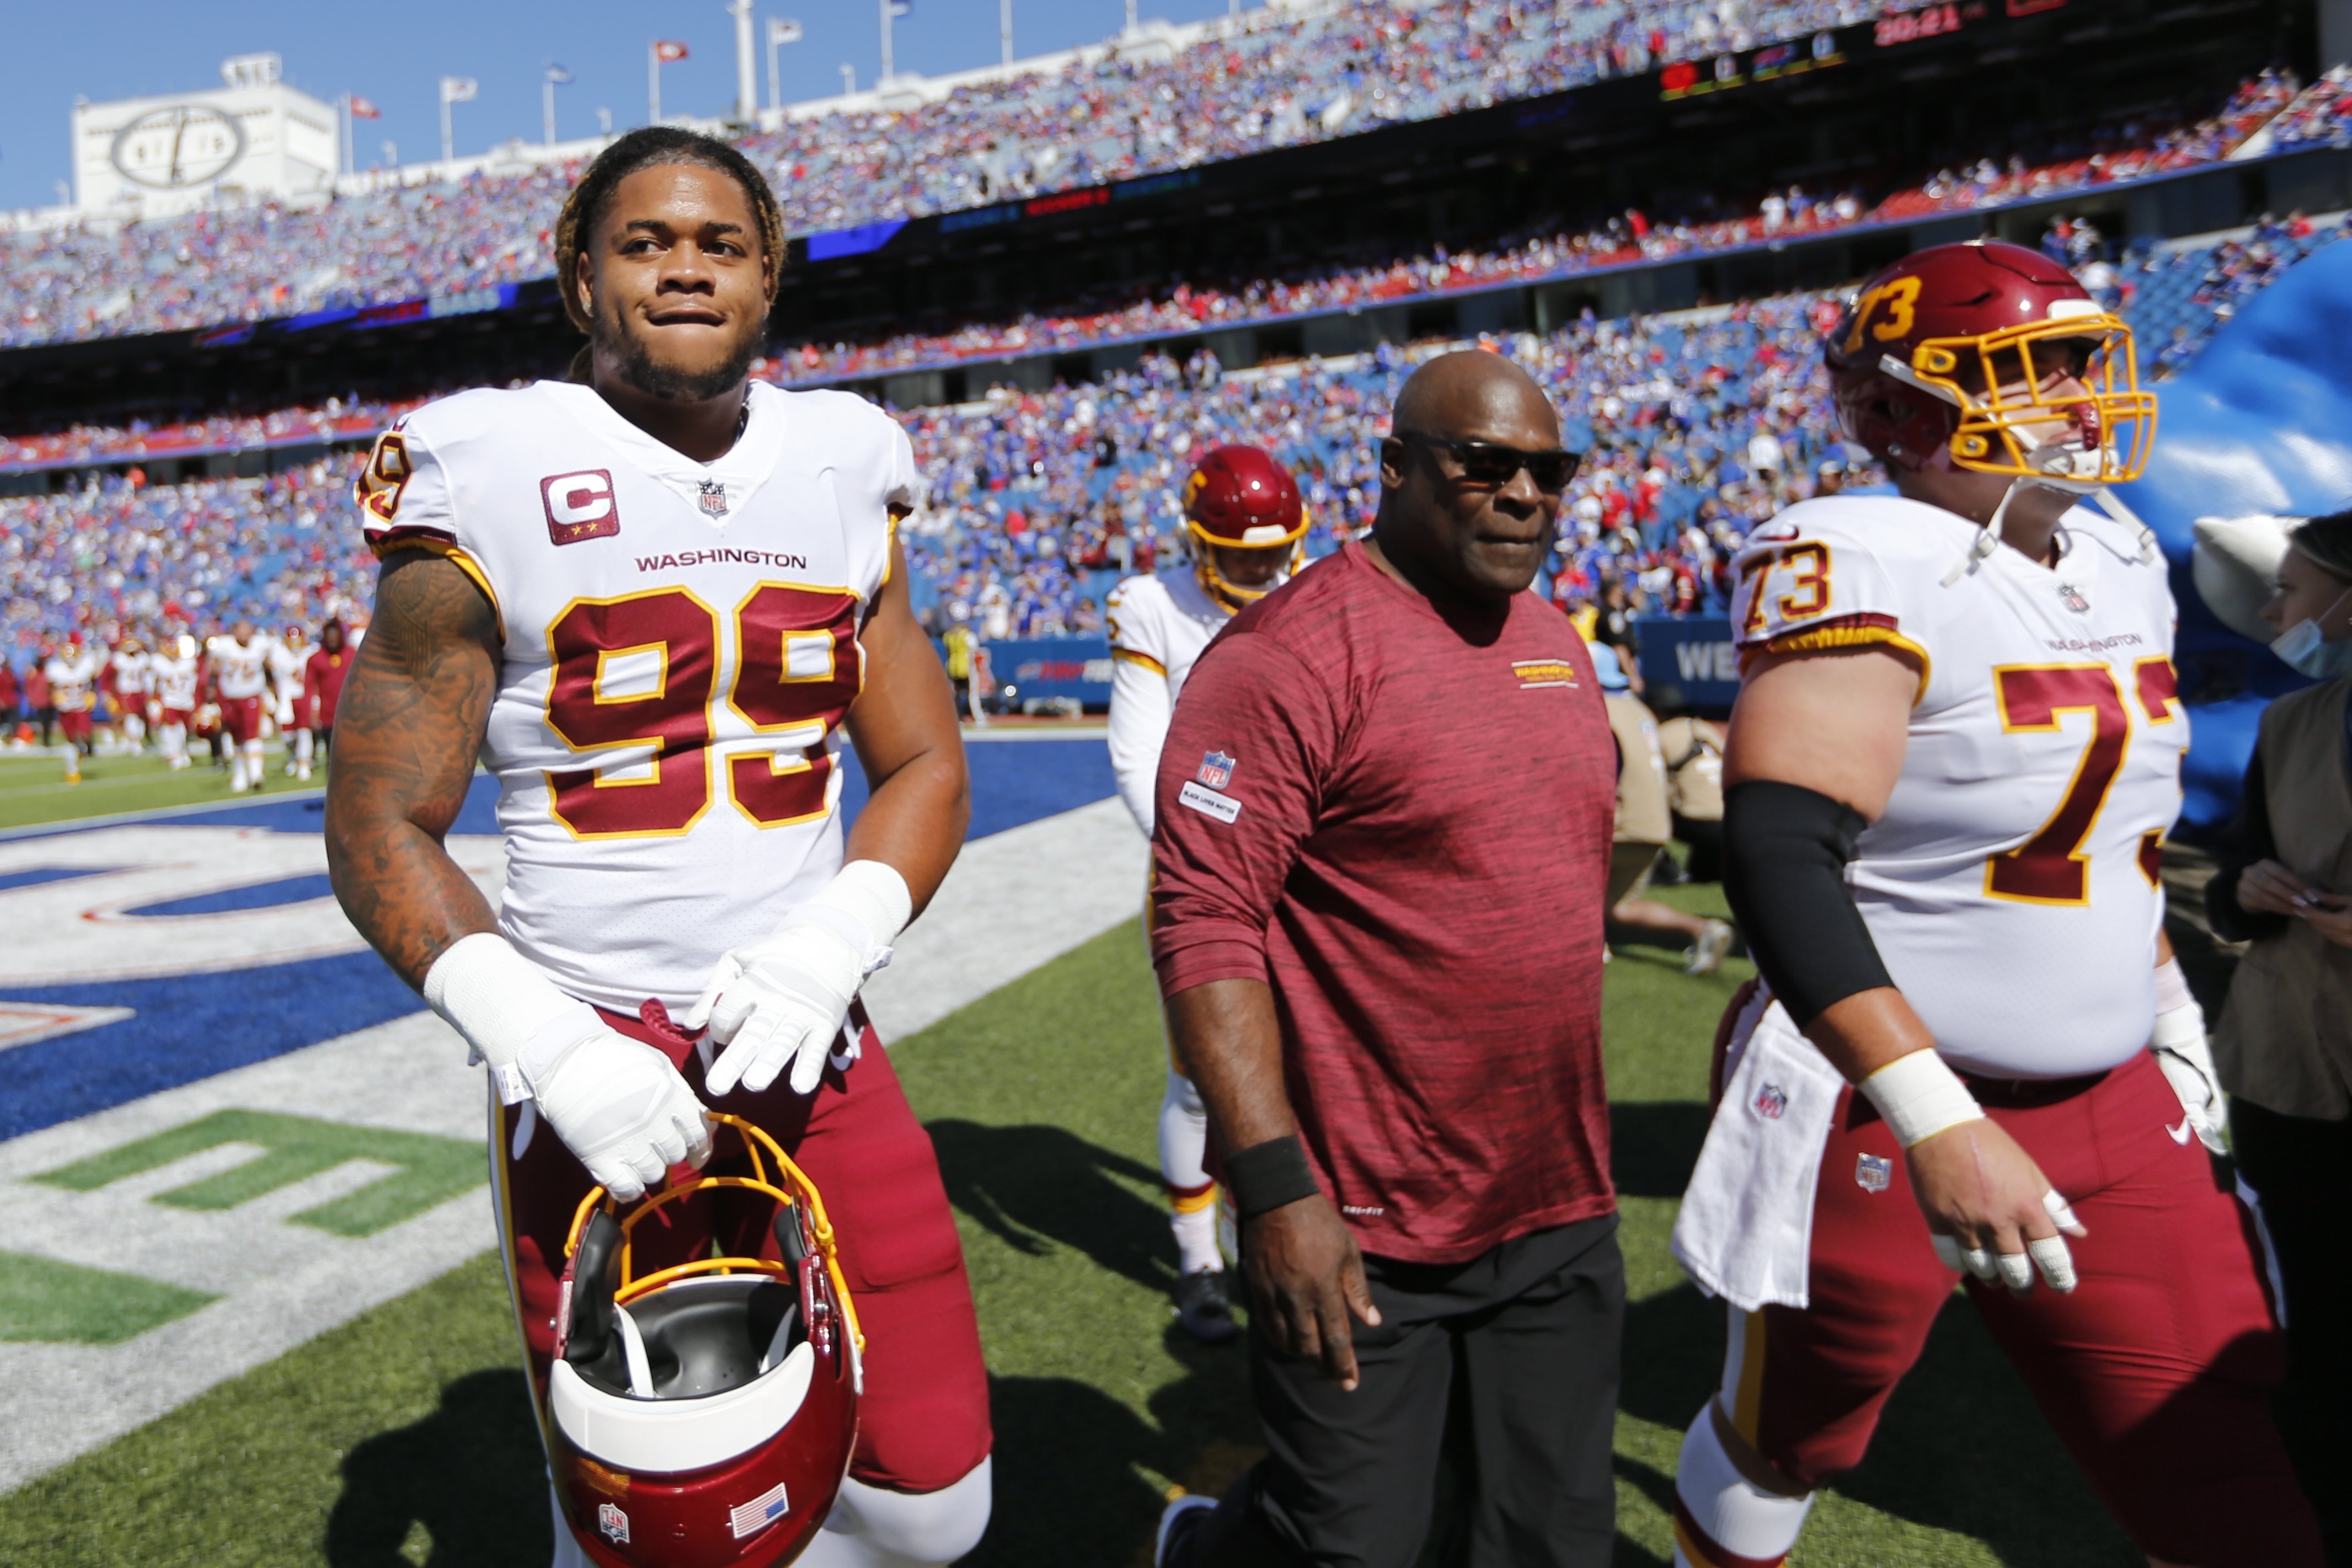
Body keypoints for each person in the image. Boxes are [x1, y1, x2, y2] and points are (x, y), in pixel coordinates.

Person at [323, 126, 992, 1568]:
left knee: (940, 1502)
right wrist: (547, 1048)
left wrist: (833, 940)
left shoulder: (846, 458)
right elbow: (377, 817)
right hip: (586, 1051)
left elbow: (928, 761)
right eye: (644, 241)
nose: (685, 264)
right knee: (640, 1519)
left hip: (808, 1032)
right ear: (581, 279)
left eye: (720, 243)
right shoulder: (488, 462)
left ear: (769, 280)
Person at [1667, 240, 2318, 1568]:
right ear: (1909, 406)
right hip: (1886, 1098)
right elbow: (1781, 850)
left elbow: (2111, 839)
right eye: (2038, 369)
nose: (2086, 395)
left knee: (2221, 1469)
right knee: (1798, 1434)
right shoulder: (1855, 550)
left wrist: (2166, 1015)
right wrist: (1935, 1120)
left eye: (2086, 359)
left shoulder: (2119, 550)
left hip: (2116, 1097)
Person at [1151, 351, 1623, 1568]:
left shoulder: (1552, 640)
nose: (1523, 492)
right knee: (1354, 1546)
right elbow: (1203, 917)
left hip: (1554, 1191)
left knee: (1548, 1540)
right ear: (1395, 468)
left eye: (1547, 469)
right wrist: (1271, 1185)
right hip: (1363, 1211)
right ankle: (1203, 1548)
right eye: (1483, 462)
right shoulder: (1287, 656)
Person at [1106, 442, 1308, 1343]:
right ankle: (1198, 1258)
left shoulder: (1326, 592)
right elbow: (1137, 755)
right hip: (1205, 873)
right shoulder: (1154, 606)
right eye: (1240, 555)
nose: (1260, 569)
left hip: (1311, 872)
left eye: (1273, 552)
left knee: (1318, 1068)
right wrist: (1210, 867)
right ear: (1197, 543)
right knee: (1200, 1081)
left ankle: (1296, 1224)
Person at [2205, 509, 2352, 1562]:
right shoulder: (2287, 723)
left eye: (2292, 590)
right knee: (2304, 1325)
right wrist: (2244, 888)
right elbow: (2227, 894)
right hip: (2290, 1067)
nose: (2272, 611)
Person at [1594, 643, 1733, 974]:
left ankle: (1589, 946)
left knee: (1562, 882)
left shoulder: (1597, 710)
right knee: (1620, 908)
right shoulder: (1640, 713)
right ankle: (1702, 930)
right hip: (1655, 828)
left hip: (1620, 825)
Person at [206, 620, 274, 794]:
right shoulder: (224, 645)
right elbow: (212, 666)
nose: (244, 633)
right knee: (238, 738)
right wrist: (213, 685)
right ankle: (240, 774)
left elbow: (269, 667)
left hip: (252, 695)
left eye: (247, 629)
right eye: (240, 629)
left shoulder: (260, 644)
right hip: (231, 698)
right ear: (234, 631)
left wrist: (273, 692)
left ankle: (256, 774)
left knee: (253, 734)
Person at [44, 633, 99, 784]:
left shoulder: (85, 666)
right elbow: (50, 687)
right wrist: (55, 696)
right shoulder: (55, 669)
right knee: (70, 739)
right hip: (66, 708)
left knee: (85, 734)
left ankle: (83, 749)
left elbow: (94, 679)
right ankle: (72, 770)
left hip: (81, 706)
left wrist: (92, 693)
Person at [301, 619, 352, 768]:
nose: (333, 640)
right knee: (334, 757)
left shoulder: (352, 654)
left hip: (352, 714)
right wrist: (311, 713)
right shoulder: (316, 659)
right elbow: (309, 687)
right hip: (328, 716)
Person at [270, 624, 315, 779]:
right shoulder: (279, 653)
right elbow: (274, 676)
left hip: (305, 695)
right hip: (286, 697)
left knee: (304, 732)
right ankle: (294, 757)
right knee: (287, 735)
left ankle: (305, 763)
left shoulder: (310, 652)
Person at [150, 634, 200, 772]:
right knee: (172, 728)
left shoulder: (188, 664)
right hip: (170, 701)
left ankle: (182, 751)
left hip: (185, 701)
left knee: (185, 730)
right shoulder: (161, 664)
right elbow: (156, 683)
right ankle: (174, 754)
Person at [106, 636, 150, 752]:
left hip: (140, 690)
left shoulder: (142, 658)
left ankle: (136, 739)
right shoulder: (119, 659)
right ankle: (133, 741)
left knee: (140, 717)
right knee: (130, 716)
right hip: (126, 691)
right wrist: (109, 692)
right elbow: (107, 676)